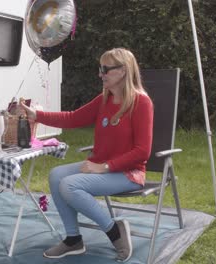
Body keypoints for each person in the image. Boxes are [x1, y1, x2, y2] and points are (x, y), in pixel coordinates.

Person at [20, 47, 153, 262]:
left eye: (105, 69)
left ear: (123, 71)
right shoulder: (104, 100)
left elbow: (142, 151)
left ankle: (115, 232)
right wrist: (38, 115)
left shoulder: (141, 103)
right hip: (101, 166)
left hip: (128, 173)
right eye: (100, 69)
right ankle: (73, 239)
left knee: (69, 185)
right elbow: (72, 118)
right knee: (56, 175)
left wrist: (105, 166)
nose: (100, 74)